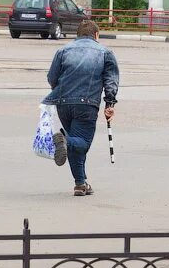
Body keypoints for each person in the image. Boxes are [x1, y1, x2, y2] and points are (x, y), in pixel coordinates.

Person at [45, 20, 119, 196]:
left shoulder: (62, 51)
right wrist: (110, 104)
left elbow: (51, 77)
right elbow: (111, 81)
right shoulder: (105, 53)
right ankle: (64, 140)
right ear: (96, 35)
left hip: (63, 103)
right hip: (87, 104)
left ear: (78, 35)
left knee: (72, 146)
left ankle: (80, 183)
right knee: (81, 143)